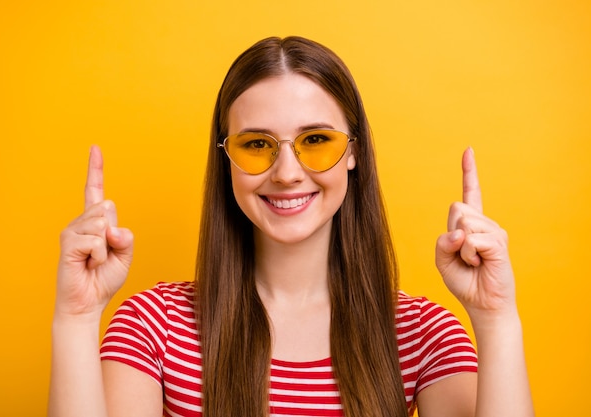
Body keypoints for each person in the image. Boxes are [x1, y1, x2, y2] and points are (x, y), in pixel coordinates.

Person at [48, 36, 534, 417]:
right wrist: (76, 320)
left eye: (316, 139)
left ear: (354, 153)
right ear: (227, 160)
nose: (285, 172)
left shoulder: (423, 334)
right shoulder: (153, 326)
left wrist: (496, 319)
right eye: (257, 144)